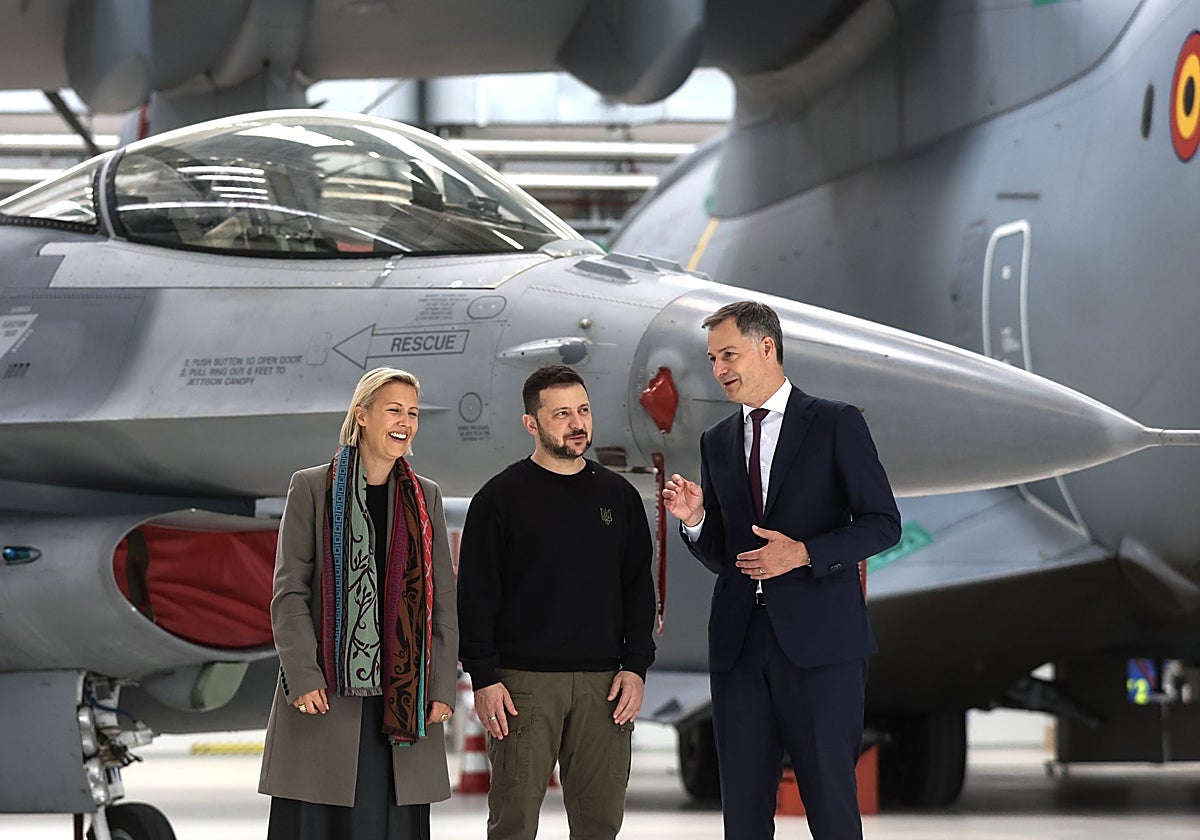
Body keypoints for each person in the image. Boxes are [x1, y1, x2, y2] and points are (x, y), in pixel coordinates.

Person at [662, 301, 900, 840]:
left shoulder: (836, 423)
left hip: (822, 649)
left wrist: (804, 554)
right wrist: (696, 519)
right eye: (713, 358)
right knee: (743, 813)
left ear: (767, 347)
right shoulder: (717, 441)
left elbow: (883, 523)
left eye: (729, 354)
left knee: (831, 806)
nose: (718, 369)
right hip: (740, 647)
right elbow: (728, 553)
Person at [457, 364, 656, 840]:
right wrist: (483, 678)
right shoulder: (498, 499)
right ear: (532, 424)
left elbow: (638, 588)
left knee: (600, 825)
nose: (577, 423)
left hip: (605, 688)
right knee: (514, 823)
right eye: (562, 413)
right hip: (522, 687)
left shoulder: (620, 498)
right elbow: (475, 596)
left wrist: (636, 665)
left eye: (583, 410)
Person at [259, 367, 459, 840]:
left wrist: (442, 687)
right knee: (318, 821)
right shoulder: (312, 487)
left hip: (403, 699)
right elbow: (289, 591)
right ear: (362, 415)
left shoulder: (424, 496)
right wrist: (303, 676)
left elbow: (443, 599)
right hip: (327, 696)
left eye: (412, 413)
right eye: (393, 409)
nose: (405, 421)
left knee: (388, 821)